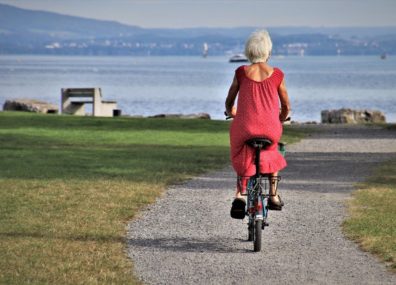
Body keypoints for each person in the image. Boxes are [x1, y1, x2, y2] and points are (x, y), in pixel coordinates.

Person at [225, 29, 291, 216]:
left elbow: (230, 100)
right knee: (272, 150)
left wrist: (232, 112)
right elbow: (285, 104)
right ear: (267, 51)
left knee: (242, 151)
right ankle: (274, 195)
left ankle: (240, 195)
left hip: (245, 126)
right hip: (270, 128)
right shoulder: (277, 74)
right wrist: (281, 117)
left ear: (249, 51)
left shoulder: (241, 72)